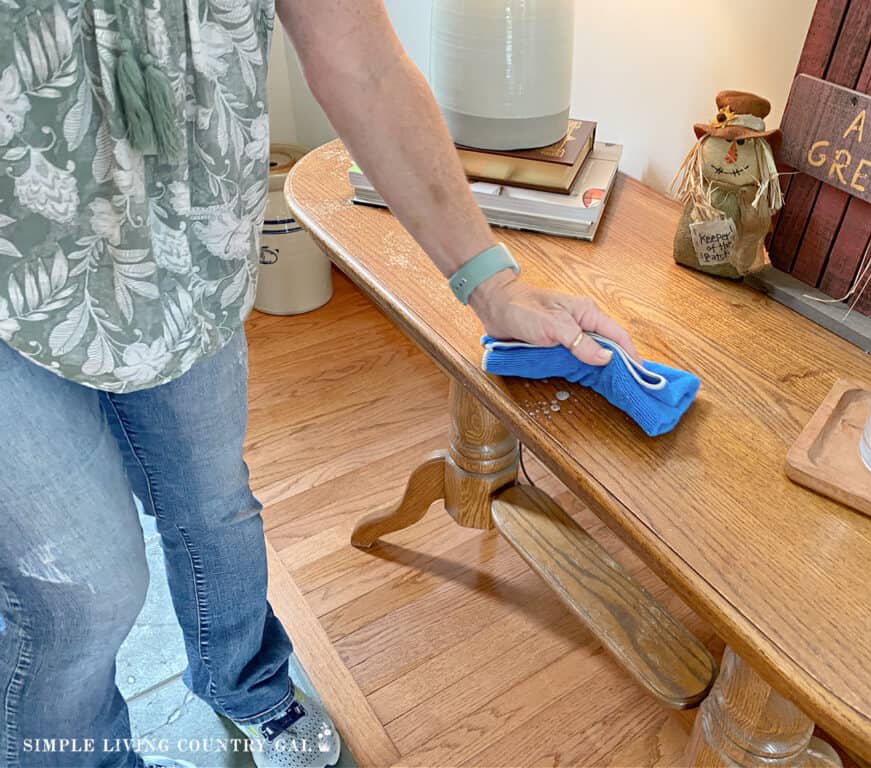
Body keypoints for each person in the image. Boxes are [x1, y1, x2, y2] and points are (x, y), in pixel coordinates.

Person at [0, 1, 638, 767]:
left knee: (216, 511)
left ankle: (248, 684)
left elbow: (362, 58)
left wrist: (492, 286)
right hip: (15, 287)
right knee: (83, 591)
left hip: (183, 267)